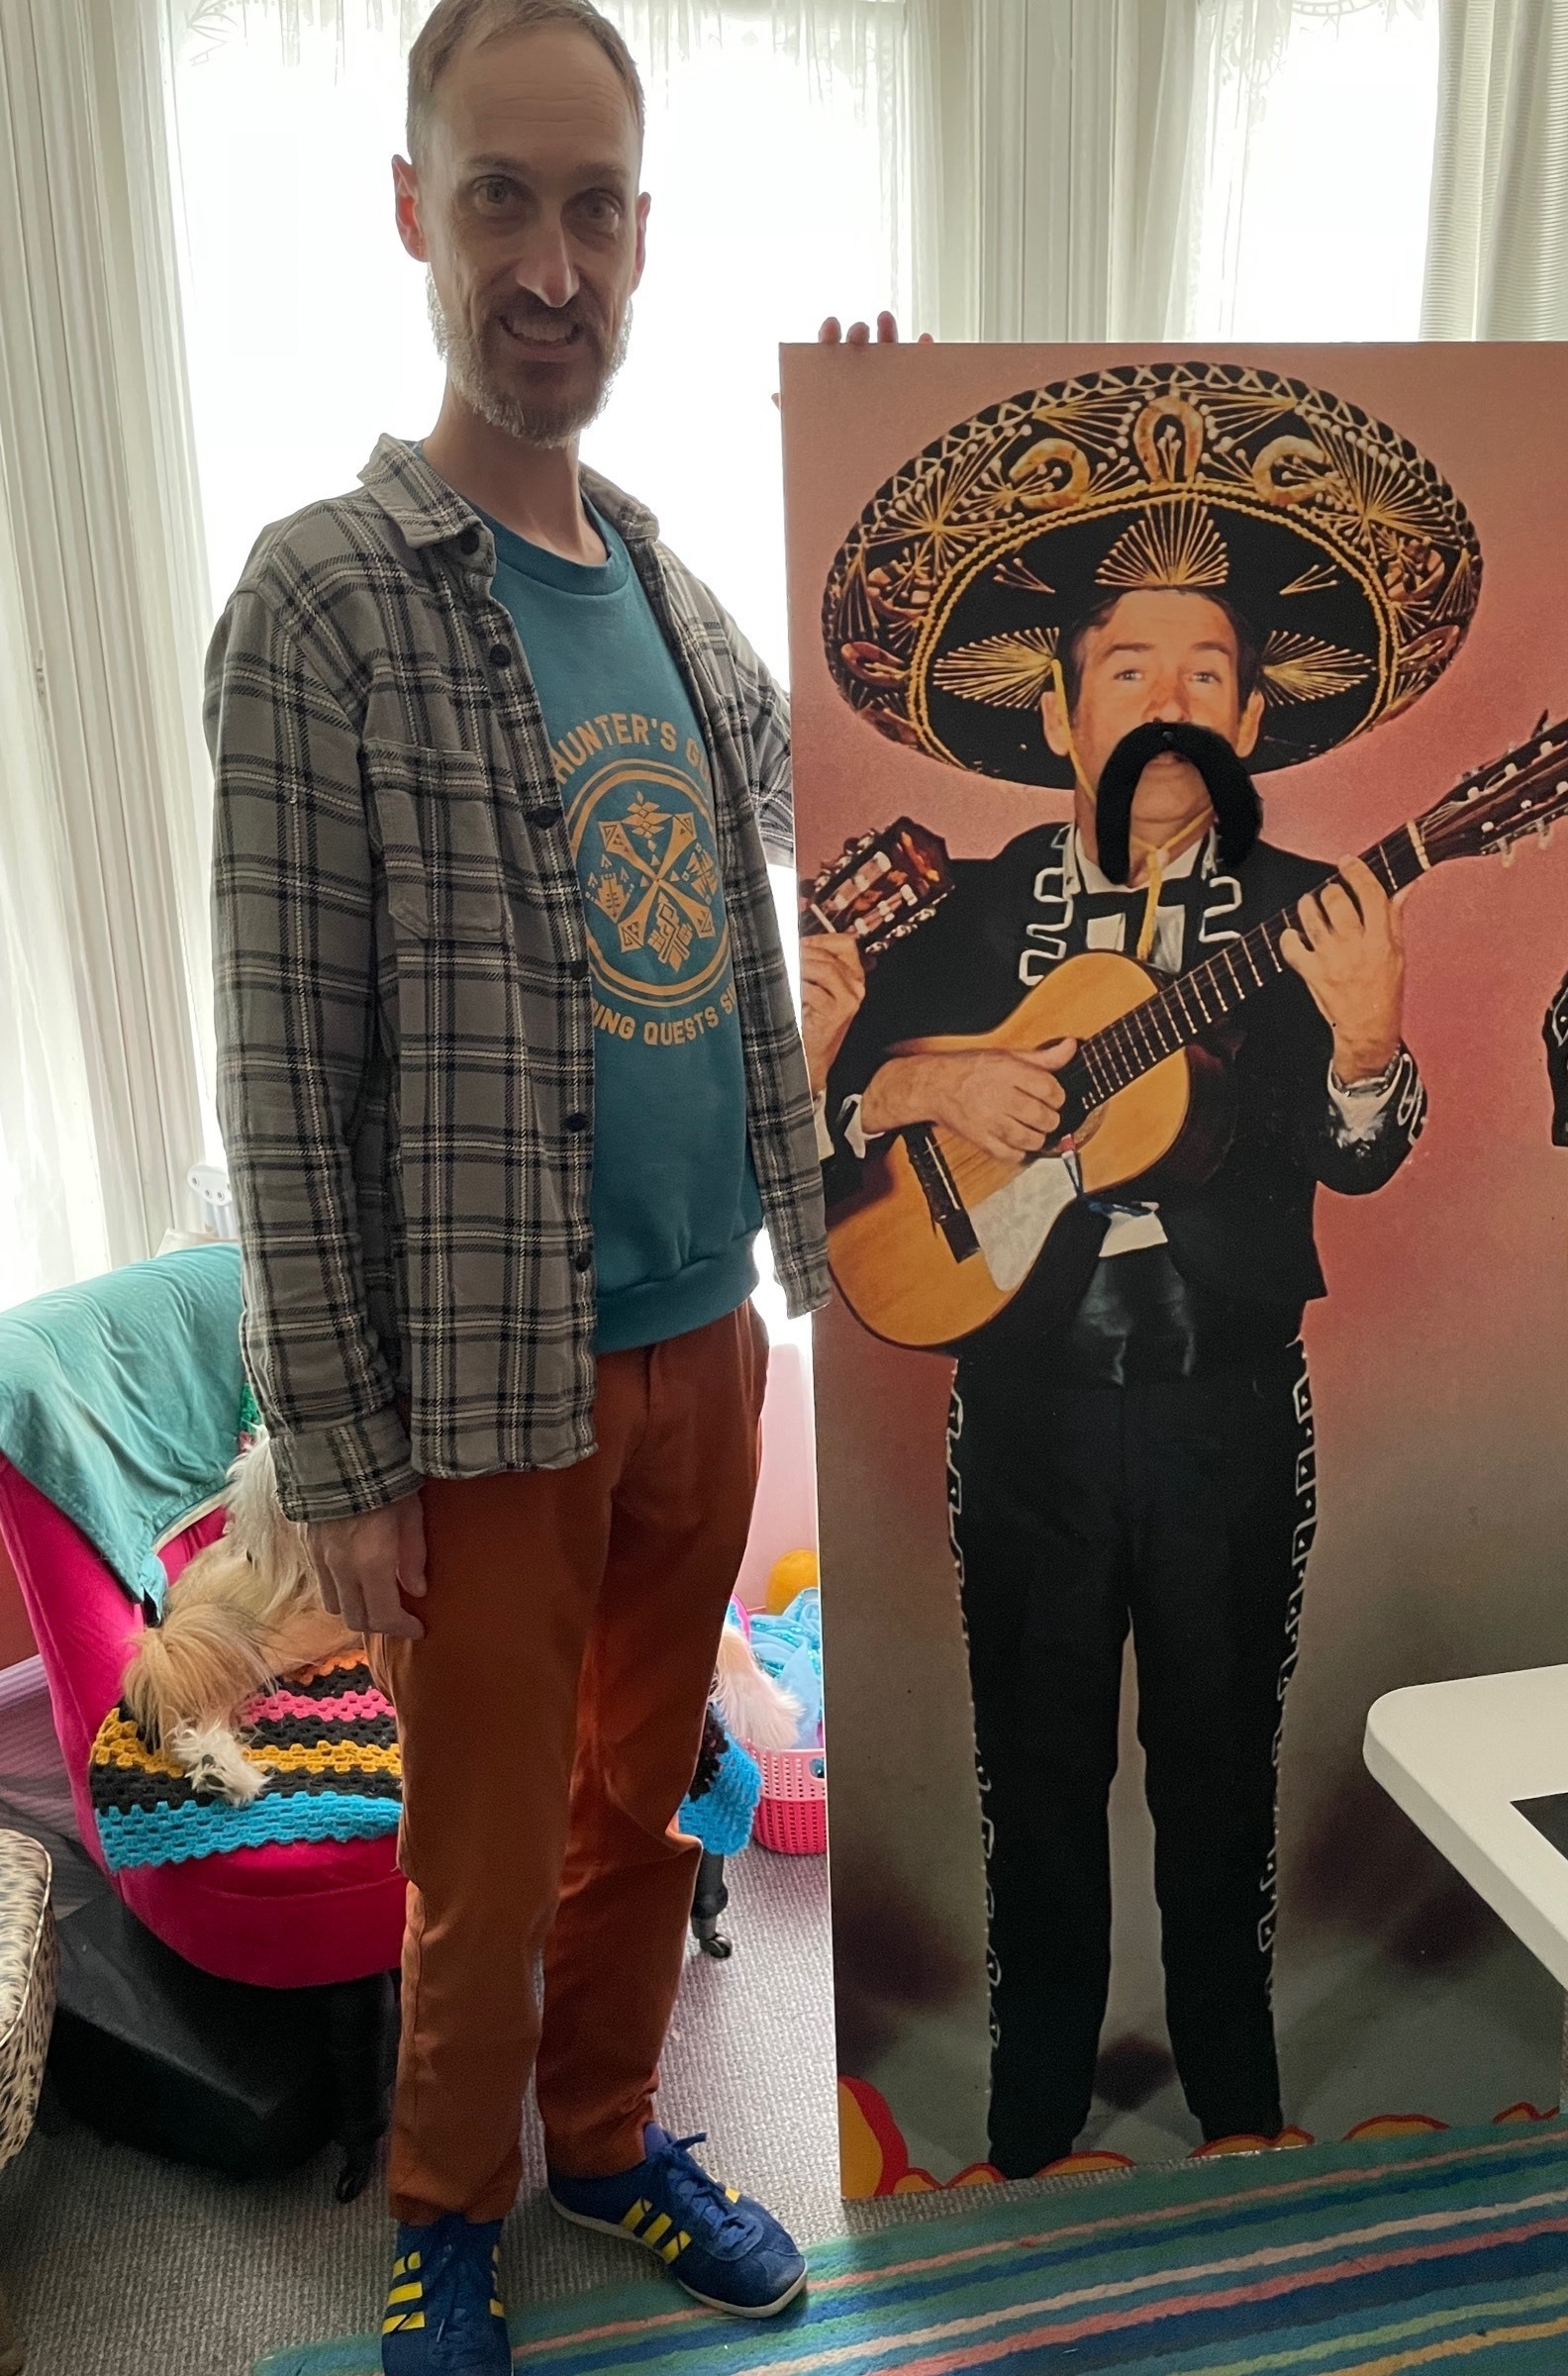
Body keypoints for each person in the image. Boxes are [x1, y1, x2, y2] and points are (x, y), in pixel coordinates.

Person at [207, 5, 873, 2366]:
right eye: (502, 196)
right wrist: (342, 1455)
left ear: (644, 237)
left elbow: (836, 805)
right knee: (476, 1855)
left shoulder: (673, 596)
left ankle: (603, 2137)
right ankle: (444, 2203)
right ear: (416, 207)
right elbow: (282, 1076)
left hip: (710, 1330)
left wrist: (872, 464)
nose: (551, 264)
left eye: (594, 208)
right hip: (491, 1385)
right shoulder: (325, 601)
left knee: (649, 1796)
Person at [800, 363, 1478, 2180]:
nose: (1168, 710)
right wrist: (916, 1081)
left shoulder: (1317, 906)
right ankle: (1031, 2107)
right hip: (1019, 1399)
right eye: (1128, 675)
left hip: (1224, 1402)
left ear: (1252, 715)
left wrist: (1367, 1042)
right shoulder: (962, 906)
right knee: (1034, 1769)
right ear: (1058, 708)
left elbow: (1363, 1150)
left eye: (1205, 679)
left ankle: (1235, 2088)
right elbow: (837, 1127)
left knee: (1218, 1758)